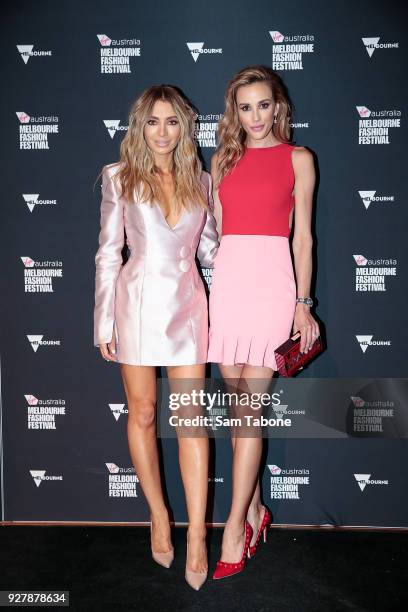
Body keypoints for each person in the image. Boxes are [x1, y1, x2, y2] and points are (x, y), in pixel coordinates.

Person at [93, 85, 219, 590]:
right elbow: (108, 253)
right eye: (153, 121)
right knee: (143, 413)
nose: (163, 131)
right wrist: (103, 322)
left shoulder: (203, 181)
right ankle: (160, 516)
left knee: (191, 421)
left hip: (189, 308)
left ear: (184, 127)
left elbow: (211, 254)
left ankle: (197, 536)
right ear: (139, 127)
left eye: (171, 121)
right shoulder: (118, 177)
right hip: (138, 305)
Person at [207, 65, 320, 579]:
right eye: (245, 107)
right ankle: (255, 509)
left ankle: (233, 524)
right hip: (229, 284)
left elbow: (303, 238)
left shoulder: (299, 159)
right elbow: (220, 235)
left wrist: (303, 302)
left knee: (250, 408)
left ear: (279, 107)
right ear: (237, 111)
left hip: (273, 284)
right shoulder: (222, 159)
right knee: (238, 409)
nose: (255, 116)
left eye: (264, 105)